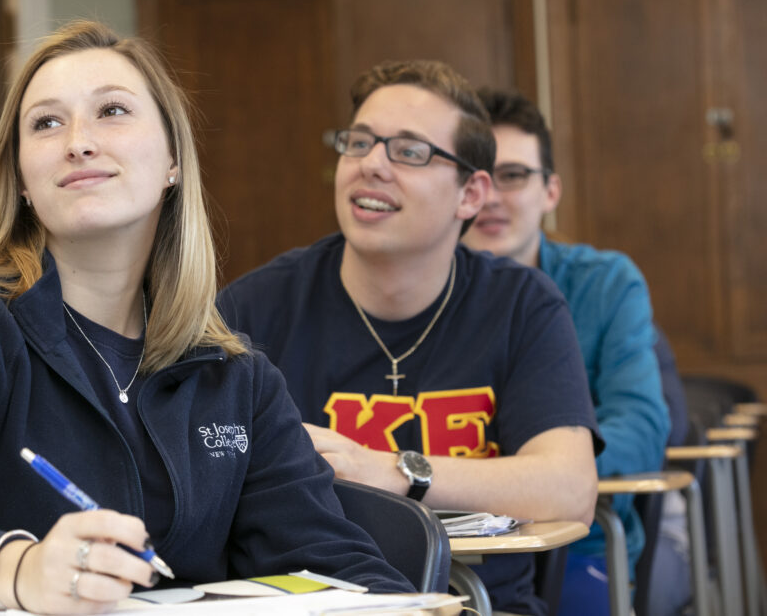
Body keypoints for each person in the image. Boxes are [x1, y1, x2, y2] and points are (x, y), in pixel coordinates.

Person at [0, 19, 414, 613]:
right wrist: (20, 569)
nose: (78, 141)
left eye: (111, 111)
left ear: (172, 162)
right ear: (24, 182)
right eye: (47, 123)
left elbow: (332, 564)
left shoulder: (235, 375)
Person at [218, 60, 600, 616]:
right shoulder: (254, 308)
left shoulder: (522, 305)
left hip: (478, 601)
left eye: (410, 151)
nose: (371, 164)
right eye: (359, 143)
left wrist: (394, 471)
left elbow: (568, 488)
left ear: (471, 193)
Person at [461, 88, 671, 616]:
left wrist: (534, 473)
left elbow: (642, 429)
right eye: (474, 174)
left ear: (551, 190)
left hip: (575, 547)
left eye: (512, 176)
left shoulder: (604, 283)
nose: (490, 196)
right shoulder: (413, 291)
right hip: (438, 549)